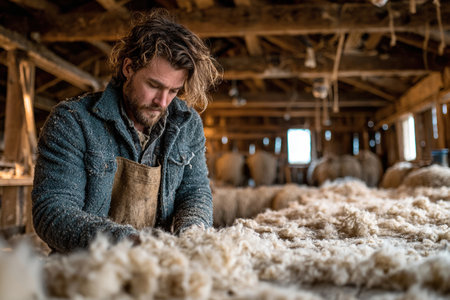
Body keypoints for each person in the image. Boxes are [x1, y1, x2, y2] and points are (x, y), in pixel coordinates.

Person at [32, 9, 222, 253]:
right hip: (86, 271)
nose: (162, 102)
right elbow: (53, 210)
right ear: (129, 68)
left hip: (161, 265)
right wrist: (126, 242)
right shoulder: (72, 122)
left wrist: (192, 232)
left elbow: (195, 192)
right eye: (154, 85)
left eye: (174, 91)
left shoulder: (188, 124)